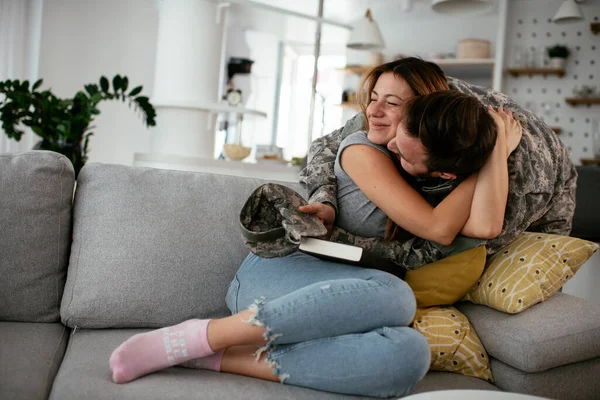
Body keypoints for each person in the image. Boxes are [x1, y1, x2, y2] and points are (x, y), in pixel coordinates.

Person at [108, 85, 521, 397]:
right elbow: (441, 228)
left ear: (444, 174)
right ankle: (198, 335)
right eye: (382, 105)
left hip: (343, 299)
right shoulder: (367, 146)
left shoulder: (448, 164)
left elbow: (484, 226)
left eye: (405, 150)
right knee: (395, 297)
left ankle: (215, 358)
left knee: (410, 355)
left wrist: (495, 152)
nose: (390, 141)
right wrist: (492, 157)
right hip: (281, 273)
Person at [299, 57, 577, 268]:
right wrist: (326, 201)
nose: (373, 110)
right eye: (372, 99)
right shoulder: (377, 128)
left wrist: (497, 154)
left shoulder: (515, 173)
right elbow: (322, 146)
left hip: (550, 181)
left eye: (392, 104)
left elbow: (478, 231)